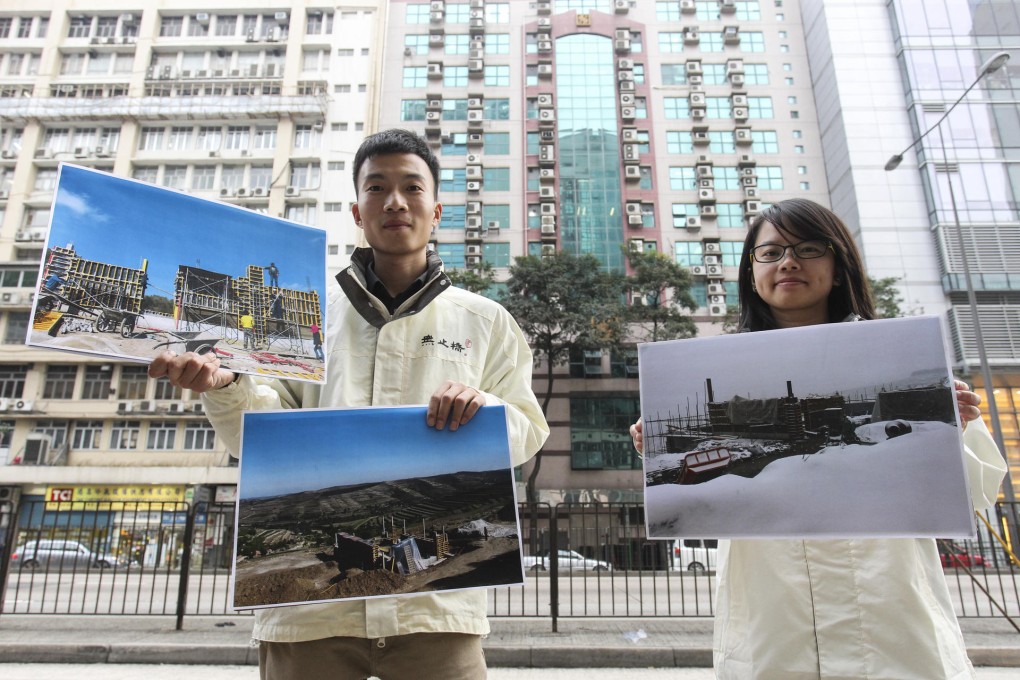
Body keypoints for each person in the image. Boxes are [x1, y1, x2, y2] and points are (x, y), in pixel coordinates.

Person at [148, 128, 548, 680]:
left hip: (434, 616)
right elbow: (259, 436)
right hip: (310, 622)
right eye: (377, 187)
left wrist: (483, 411)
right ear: (356, 211)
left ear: (436, 210)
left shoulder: (484, 321)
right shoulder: (304, 315)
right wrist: (224, 387)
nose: (395, 201)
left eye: (411, 187)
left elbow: (527, 428)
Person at [630, 198, 1006, 679]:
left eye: (807, 248)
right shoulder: (719, 368)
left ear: (839, 262)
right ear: (752, 271)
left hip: (892, 621)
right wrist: (651, 447)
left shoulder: (903, 358)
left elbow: (974, 496)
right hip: (773, 625)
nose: (787, 261)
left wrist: (959, 428)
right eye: (769, 253)